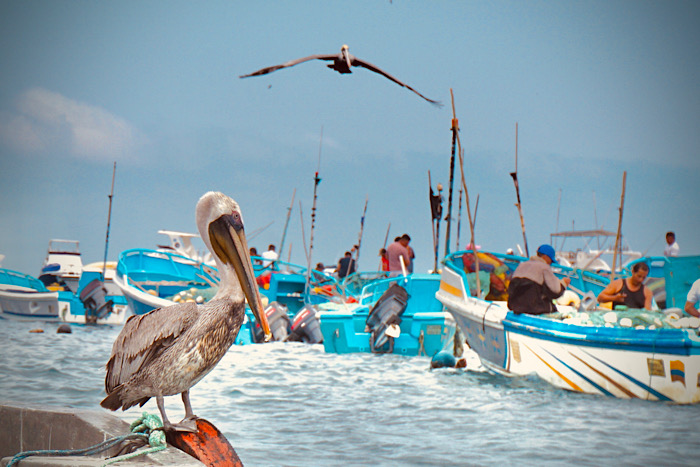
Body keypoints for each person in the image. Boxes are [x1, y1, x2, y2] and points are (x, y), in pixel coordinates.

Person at [507, 244, 570, 315]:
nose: (550, 263)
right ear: (546, 257)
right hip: (532, 308)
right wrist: (563, 283)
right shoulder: (544, 267)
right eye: (551, 260)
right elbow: (556, 291)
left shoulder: (522, 265)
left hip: (514, 305)